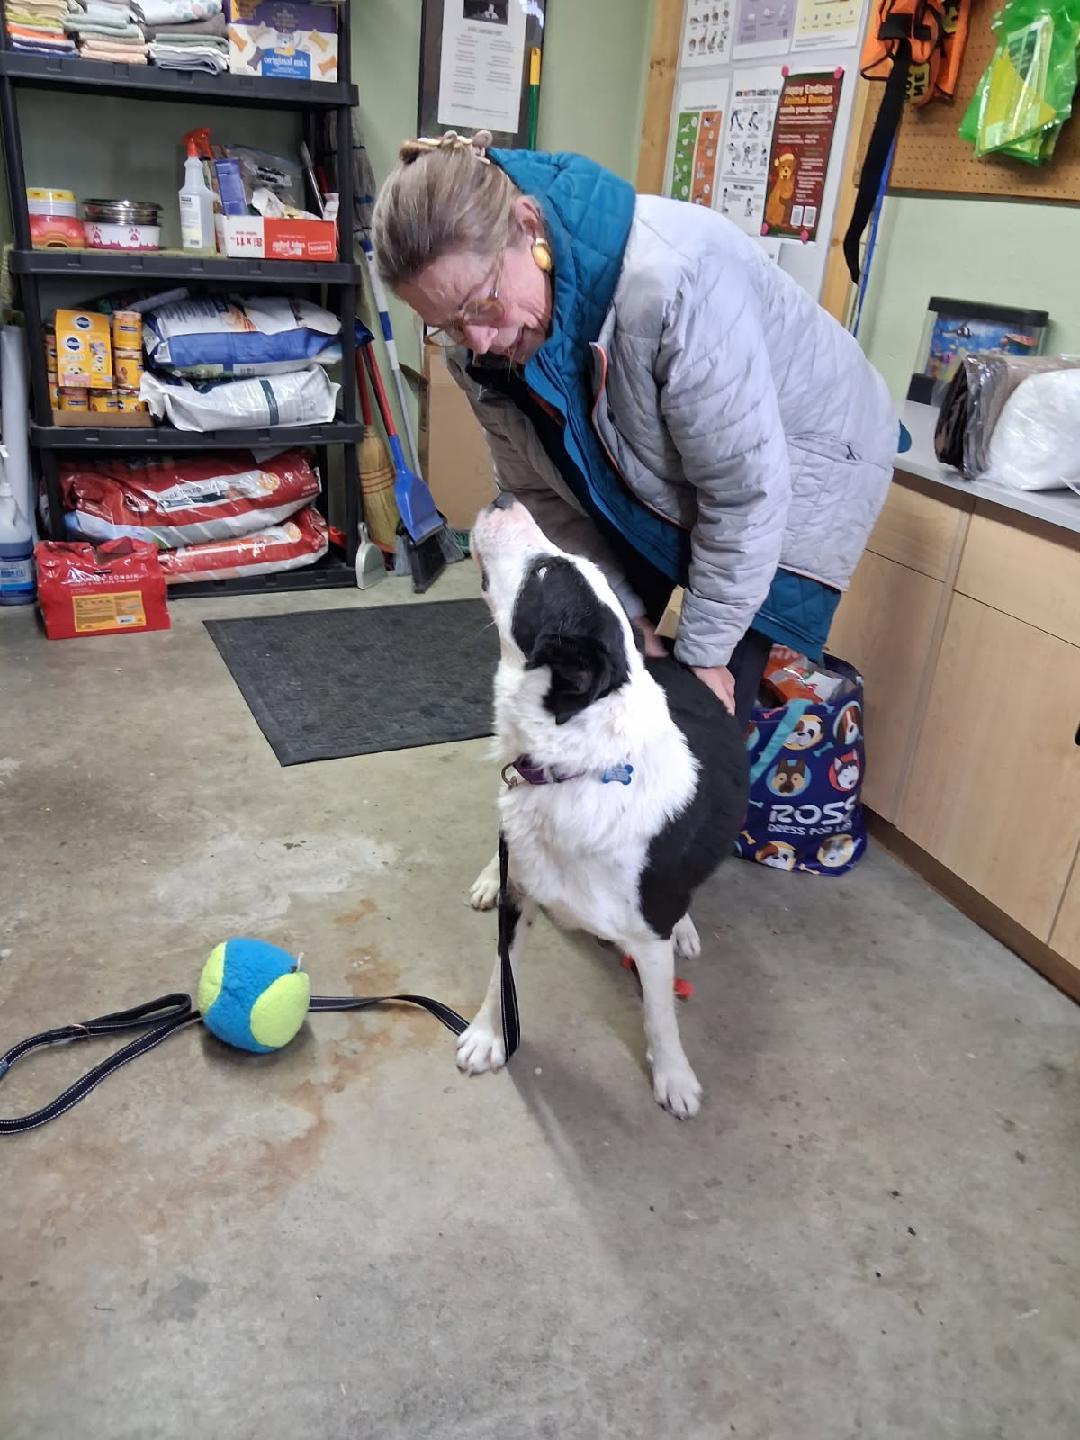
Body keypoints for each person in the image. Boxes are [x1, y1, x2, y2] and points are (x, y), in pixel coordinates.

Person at [372, 131, 898, 722]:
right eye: (444, 324)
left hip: (806, 456)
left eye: (480, 304)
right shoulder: (478, 348)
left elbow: (741, 492)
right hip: (667, 462)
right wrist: (629, 618)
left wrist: (701, 657)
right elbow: (543, 490)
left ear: (528, 226)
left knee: (704, 711)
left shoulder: (676, 281)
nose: (478, 341)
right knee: (606, 667)